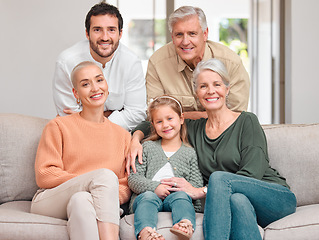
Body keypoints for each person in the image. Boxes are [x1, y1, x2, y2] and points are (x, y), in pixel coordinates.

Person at [128, 59, 296, 240]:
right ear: (197, 94)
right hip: (238, 200)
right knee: (237, 201)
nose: (210, 91)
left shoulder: (247, 121)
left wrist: (200, 191)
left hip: (273, 196)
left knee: (219, 179)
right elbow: (153, 123)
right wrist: (135, 140)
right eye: (203, 86)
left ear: (227, 89)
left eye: (217, 84)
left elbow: (252, 173)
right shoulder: (193, 129)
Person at [31, 61, 131, 240]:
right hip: (51, 199)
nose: (95, 88)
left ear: (107, 86)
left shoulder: (123, 136)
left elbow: (124, 185)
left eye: (99, 80)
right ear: (76, 94)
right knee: (105, 176)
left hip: (93, 201)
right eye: (85, 84)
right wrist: (92, 182)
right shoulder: (58, 126)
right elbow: (45, 174)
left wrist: (97, 193)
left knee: (81, 200)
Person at [52, 2, 147, 131]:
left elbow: (137, 114)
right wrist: (115, 114)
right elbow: (68, 115)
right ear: (87, 33)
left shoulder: (131, 61)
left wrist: (90, 118)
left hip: (117, 136)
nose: (105, 37)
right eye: (97, 30)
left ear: (120, 33)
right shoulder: (66, 62)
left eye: (111, 30)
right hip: (78, 135)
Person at [146, 6, 250, 120]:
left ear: (205, 34)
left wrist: (179, 116)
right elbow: (154, 115)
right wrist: (206, 116)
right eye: (179, 34)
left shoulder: (231, 63)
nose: (185, 42)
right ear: (172, 36)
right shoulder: (157, 63)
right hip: (177, 136)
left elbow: (237, 117)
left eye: (192, 34)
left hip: (222, 134)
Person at [128, 96, 203, 240]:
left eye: (170, 119)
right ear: (153, 124)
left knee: (181, 196)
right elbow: (134, 178)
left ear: (181, 119)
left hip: (176, 196)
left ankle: (185, 224)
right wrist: (155, 187)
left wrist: (189, 196)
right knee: (148, 197)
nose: (165, 125)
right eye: (159, 121)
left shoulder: (189, 152)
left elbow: (196, 184)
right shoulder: (147, 147)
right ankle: (146, 231)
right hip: (148, 196)